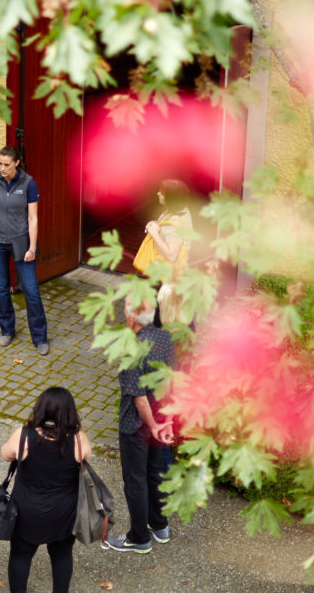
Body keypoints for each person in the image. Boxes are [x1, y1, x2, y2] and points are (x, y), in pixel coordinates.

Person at [0, 387, 92, 593]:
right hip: (64, 510)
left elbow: (5, 454)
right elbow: (87, 456)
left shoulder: (23, 436)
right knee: (61, 555)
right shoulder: (78, 438)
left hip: (26, 510)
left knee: (20, 556)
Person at [103, 300, 175, 553]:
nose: (123, 312)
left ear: (132, 318)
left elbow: (139, 397)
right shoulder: (165, 337)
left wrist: (154, 425)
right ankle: (160, 526)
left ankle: (139, 538)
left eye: (125, 308)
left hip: (137, 424)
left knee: (135, 480)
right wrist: (164, 420)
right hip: (159, 418)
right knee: (154, 472)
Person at [0, 145, 49, 354]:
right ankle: (7, 329)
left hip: (21, 243)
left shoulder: (28, 184)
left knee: (31, 291)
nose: (2, 168)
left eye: (6, 165)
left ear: (16, 163)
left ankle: (40, 337)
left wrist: (32, 247)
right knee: (2, 288)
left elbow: (33, 218)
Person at [141, 180, 193, 329]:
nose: (158, 194)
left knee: (165, 320)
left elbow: (171, 255)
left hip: (169, 277)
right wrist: (155, 226)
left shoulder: (174, 221)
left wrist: (154, 233)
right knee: (180, 316)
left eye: (162, 193)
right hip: (175, 275)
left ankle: (166, 347)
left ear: (170, 198)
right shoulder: (181, 211)